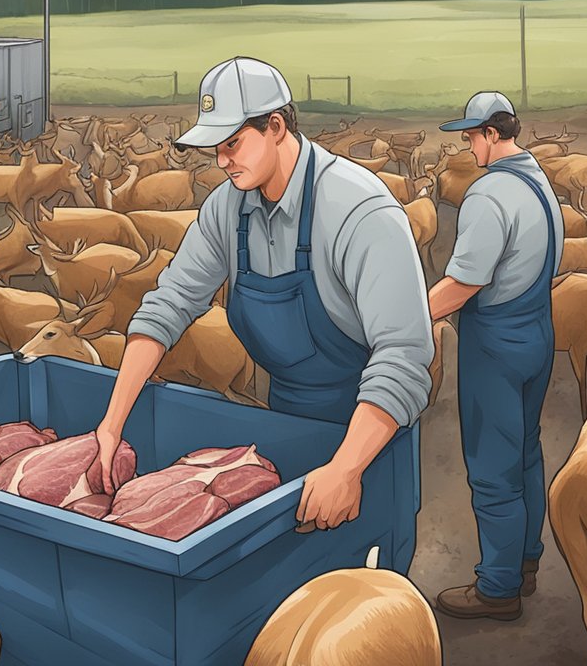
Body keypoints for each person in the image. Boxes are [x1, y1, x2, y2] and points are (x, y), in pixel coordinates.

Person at [92, 56, 434, 537]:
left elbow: (403, 357)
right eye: (216, 147)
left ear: (276, 126)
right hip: (282, 427)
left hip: (368, 442)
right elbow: (167, 305)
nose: (222, 161)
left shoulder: (361, 212)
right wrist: (111, 423)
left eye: (233, 143)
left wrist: (346, 469)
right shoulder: (227, 209)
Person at [428, 92, 561, 621]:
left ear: (489, 134)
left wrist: (411, 316)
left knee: (491, 468)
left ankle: (499, 587)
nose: (467, 145)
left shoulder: (488, 195)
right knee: (526, 451)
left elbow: (463, 284)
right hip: (538, 335)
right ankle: (527, 560)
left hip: (496, 344)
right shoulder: (540, 183)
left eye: (471, 135)